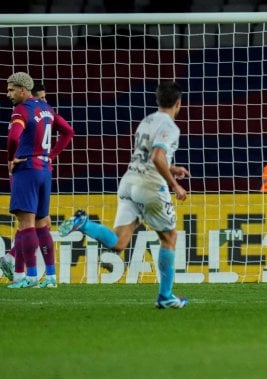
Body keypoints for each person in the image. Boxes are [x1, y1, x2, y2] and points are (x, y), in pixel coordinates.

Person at [58, 81, 190, 309]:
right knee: (169, 238)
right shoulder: (170, 126)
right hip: (150, 187)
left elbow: (149, 156)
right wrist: (174, 184)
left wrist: (172, 168)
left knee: (118, 243)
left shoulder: (146, 121)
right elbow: (158, 157)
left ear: (157, 101)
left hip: (129, 182)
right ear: (178, 104)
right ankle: (166, 296)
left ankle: (84, 224)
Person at [1, 72, 74, 288]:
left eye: (11, 89)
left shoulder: (21, 110)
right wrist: (51, 155)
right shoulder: (47, 108)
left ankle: (30, 277)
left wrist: (10, 159)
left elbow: (13, 137)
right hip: (44, 169)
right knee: (43, 224)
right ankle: (50, 278)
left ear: (23, 90)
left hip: (27, 169)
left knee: (26, 224)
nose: (8, 94)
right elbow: (69, 131)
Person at [1, 82, 52, 284]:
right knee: (34, 223)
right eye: (41, 97)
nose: (44, 101)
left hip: (31, 168)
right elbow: (14, 140)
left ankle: (17, 269)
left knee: (29, 224)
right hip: (25, 170)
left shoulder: (31, 114)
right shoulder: (24, 113)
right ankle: (23, 271)